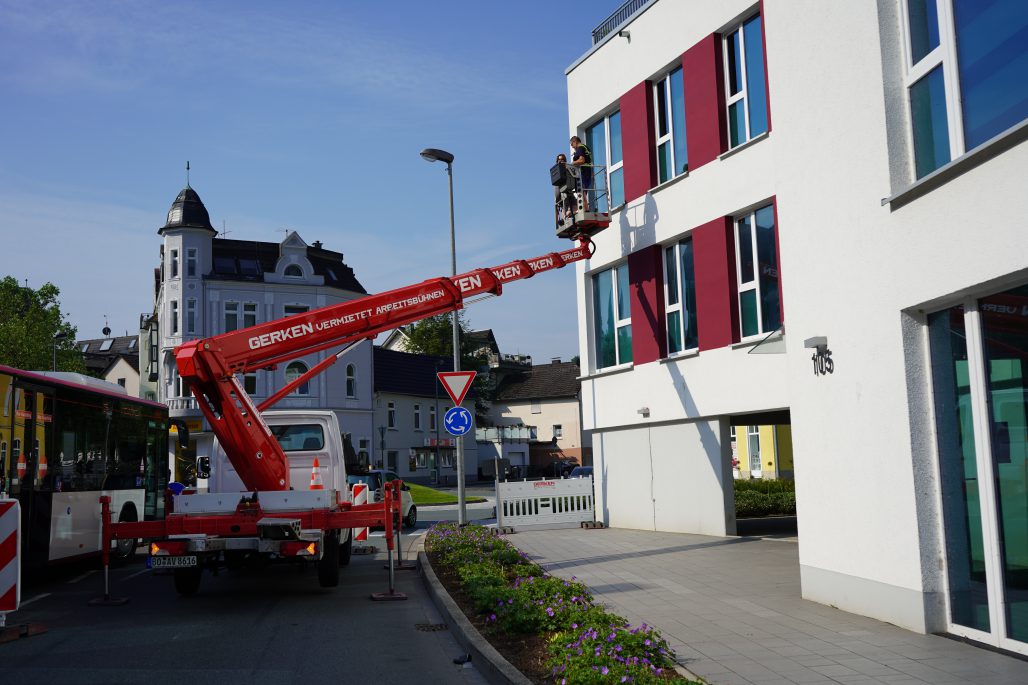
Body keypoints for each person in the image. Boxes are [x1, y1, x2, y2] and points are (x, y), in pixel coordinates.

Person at [570, 136, 593, 210]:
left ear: (575, 142)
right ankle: (584, 208)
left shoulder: (580, 148)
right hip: (587, 171)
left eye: (572, 145)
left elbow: (581, 160)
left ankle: (585, 209)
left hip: (583, 171)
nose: (572, 147)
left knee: (581, 191)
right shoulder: (585, 147)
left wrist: (572, 163)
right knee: (583, 191)